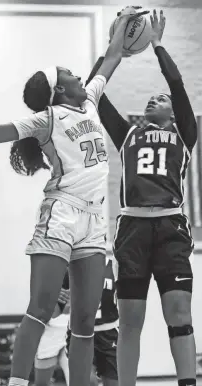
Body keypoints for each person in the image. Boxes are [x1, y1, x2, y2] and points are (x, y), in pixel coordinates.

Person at [0, 7, 148, 386]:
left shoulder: (91, 101)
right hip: (61, 215)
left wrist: (125, 17)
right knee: (41, 309)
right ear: (59, 88)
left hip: (93, 222)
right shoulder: (45, 119)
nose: (80, 76)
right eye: (69, 74)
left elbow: (113, 57)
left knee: (83, 322)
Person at [84, 10, 198, 386]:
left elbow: (178, 85)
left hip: (170, 226)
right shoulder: (128, 134)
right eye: (151, 97)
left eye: (160, 98)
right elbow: (92, 98)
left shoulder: (186, 134)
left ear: (173, 113)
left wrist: (157, 45)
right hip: (132, 227)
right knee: (130, 321)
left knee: (179, 313)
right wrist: (112, 48)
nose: (155, 98)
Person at [66, 257, 119, 386]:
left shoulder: (114, 265)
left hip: (109, 332)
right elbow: (57, 307)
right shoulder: (73, 265)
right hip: (81, 332)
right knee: (88, 381)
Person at [34, 273, 70, 386]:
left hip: (73, 329)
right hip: (50, 330)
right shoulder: (48, 265)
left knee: (81, 380)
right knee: (41, 383)